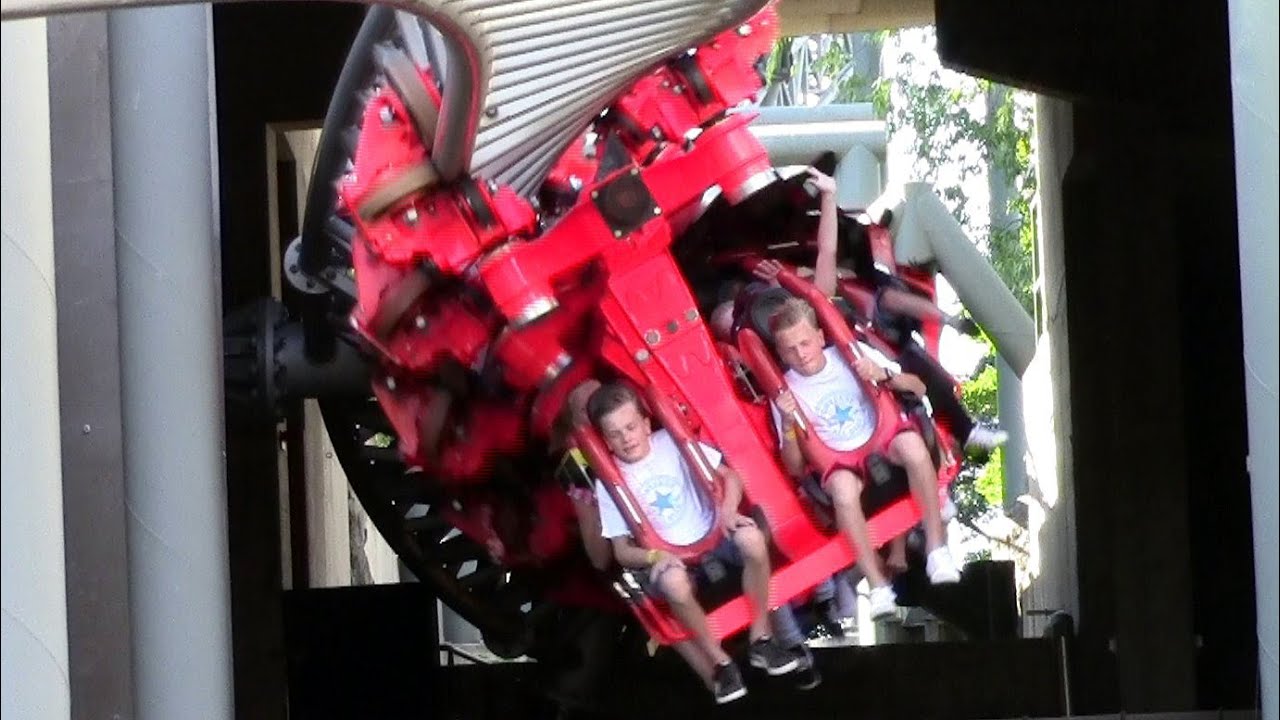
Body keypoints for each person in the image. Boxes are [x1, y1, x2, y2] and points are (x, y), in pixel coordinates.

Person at [586, 382, 799, 703]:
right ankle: (720, 662)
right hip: (672, 560)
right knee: (672, 582)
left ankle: (761, 639)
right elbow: (622, 551)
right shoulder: (610, 483)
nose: (626, 438)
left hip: (715, 536)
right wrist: (657, 556)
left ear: (646, 424)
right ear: (605, 442)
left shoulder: (673, 443)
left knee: (753, 538)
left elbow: (731, 477)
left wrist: (727, 512)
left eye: (630, 427)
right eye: (615, 434)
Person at [768, 295, 963, 621]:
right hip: (838, 462)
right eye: (790, 349)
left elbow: (917, 388)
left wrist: (883, 373)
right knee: (843, 491)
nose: (800, 354)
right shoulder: (786, 392)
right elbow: (794, 466)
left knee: (914, 447)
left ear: (819, 336)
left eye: (805, 343)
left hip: (883, 439)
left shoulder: (851, 353)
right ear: (780, 352)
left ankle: (936, 549)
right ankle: (877, 586)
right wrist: (788, 425)